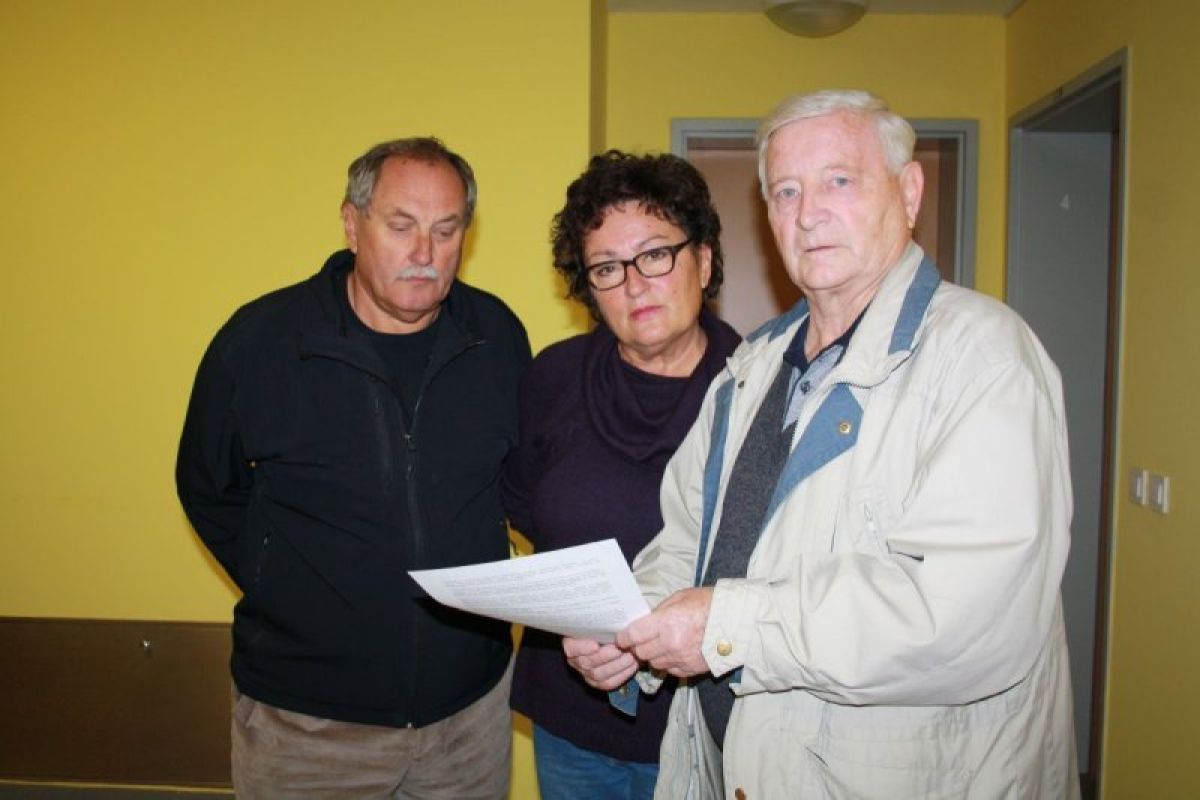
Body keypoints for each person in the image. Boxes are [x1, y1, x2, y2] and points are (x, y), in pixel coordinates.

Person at [565, 90, 1080, 798]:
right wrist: (630, 631)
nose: (808, 213)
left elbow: (966, 619)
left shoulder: (984, 358)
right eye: (786, 191)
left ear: (908, 192)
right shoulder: (751, 368)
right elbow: (688, 542)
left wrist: (728, 624)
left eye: (839, 180)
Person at [176, 137, 531, 799]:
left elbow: (519, 479)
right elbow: (207, 487)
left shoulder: (497, 335)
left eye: (446, 230)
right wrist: (283, 584)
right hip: (307, 728)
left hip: (469, 718)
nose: (425, 252)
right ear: (352, 223)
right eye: (401, 226)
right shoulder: (261, 341)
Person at [503, 151, 741, 799]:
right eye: (608, 267)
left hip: (708, 725)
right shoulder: (552, 378)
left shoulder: (756, 389)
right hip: (571, 722)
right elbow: (526, 509)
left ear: (704, 261)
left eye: (655, 254)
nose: (634, 285)